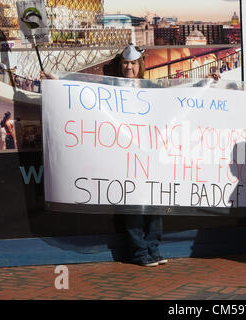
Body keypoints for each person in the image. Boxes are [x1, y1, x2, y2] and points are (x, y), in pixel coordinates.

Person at [41, 44, 167, 267]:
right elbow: (83, 96)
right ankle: (140, 252)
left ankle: (153, 247)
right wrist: (56, 82)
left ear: (140, 65)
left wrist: (208, 82)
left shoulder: (152, 89)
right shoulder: (112, 90)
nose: (129, 67)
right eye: (126, 63)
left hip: (148, 157)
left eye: (133, 63)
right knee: (133, 206)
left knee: (154, 206)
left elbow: (178, 96)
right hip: (123, 157)